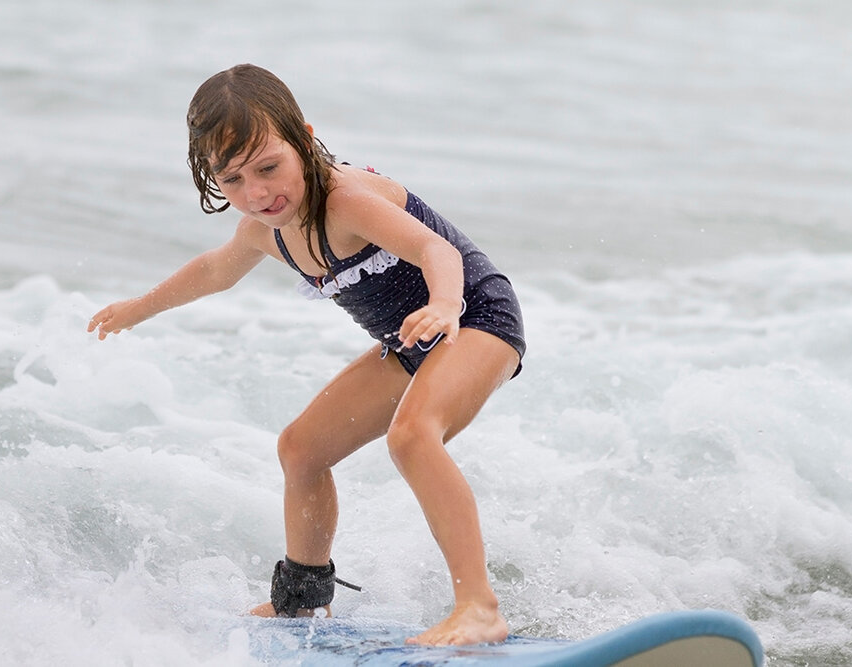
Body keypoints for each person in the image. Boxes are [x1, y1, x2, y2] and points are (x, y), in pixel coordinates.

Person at [87, 63, 525, 646]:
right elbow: (214, 271)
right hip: (411, 343)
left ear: (304, 139)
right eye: (233, 179)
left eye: (269, 167)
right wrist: (140, 307)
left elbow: (432, 246)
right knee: (300, 448)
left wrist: (445, 302)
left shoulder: (345, 201)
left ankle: (478, 607)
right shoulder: (262, 229)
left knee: (413, 434)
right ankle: (300, 602)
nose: (258, 193)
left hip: (474, 317)